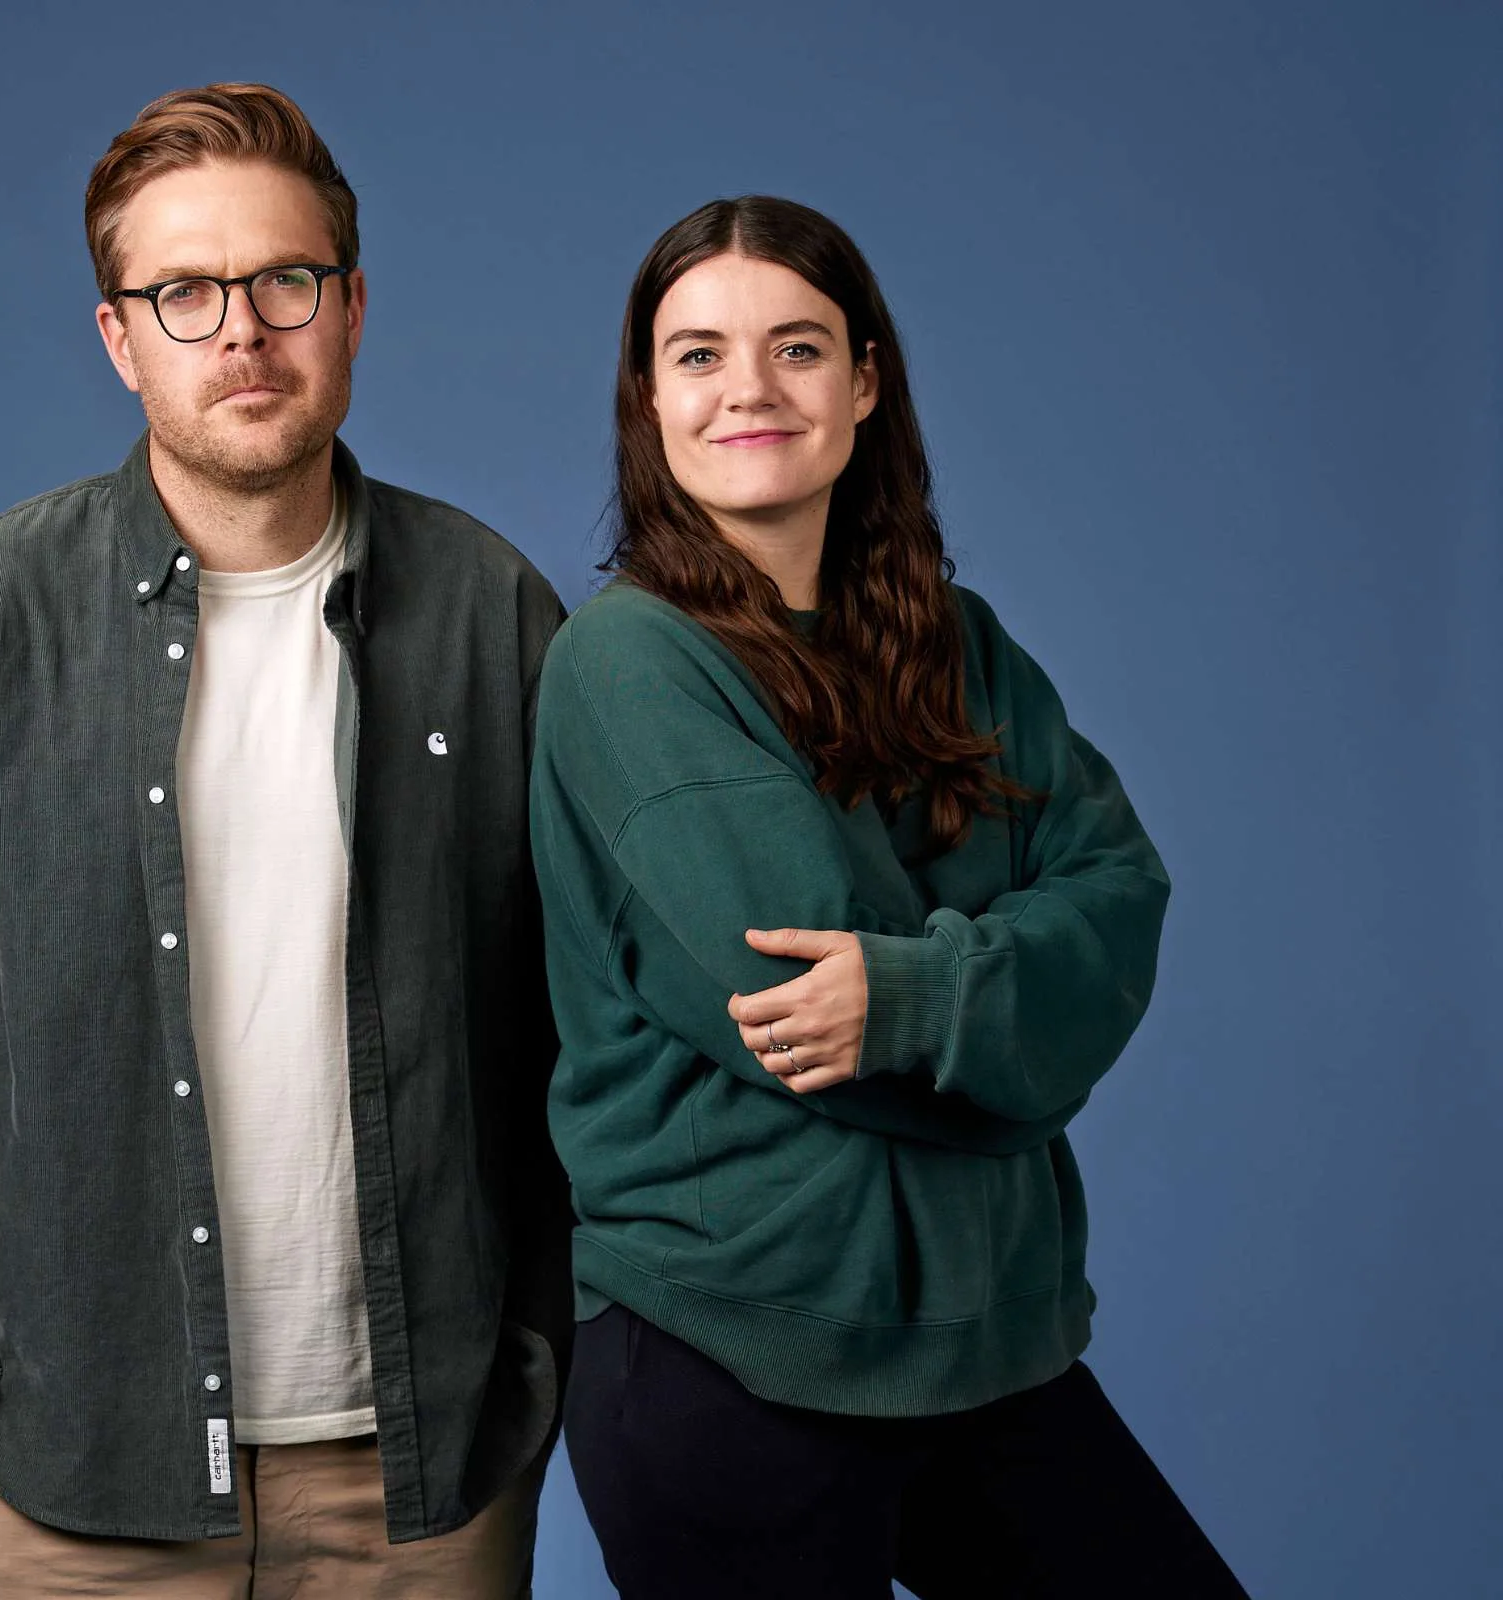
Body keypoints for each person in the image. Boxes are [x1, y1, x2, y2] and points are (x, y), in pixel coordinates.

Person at [0, 82, 569, 1599]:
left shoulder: (493, 612)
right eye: (184, 292)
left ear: (352, 306)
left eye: (284, 281)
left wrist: (540, 1354)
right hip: (72, 1481)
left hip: (420, 1486)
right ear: (120, 335)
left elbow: (581, 1023)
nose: (242, 332)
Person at [529, 195, 1250, 1598]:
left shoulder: (960, 645)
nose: (747, 388)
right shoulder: (631, 667)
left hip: (986, 1341)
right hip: (733, 1346)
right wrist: (1018, 1012)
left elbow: (1121, 893)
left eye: (797, 348)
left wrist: (917, 995)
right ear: (649, 398)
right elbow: (795, 1003)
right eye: (696, 355)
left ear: (864, 383)